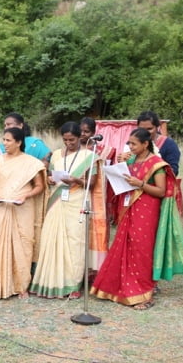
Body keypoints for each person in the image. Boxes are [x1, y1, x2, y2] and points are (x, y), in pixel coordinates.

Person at [92, 128, 183, 309]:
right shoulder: (131, 160)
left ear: (146, 144)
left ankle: (143, 293)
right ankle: (119, 287)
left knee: (141, 250)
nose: (130, 146)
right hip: (129, 207)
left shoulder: (157, 164)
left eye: (134, 144)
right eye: (129, 143)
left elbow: (161, 191)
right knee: (125, 245)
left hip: (147, 210)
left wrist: (140, 184)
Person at [29, 122, 96, 299]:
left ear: (80, 137)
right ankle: (48, 281)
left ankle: (72, 284)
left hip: (77, 200)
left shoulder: (89, 155)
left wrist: (76, 180)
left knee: (75, 241)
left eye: (72, 140)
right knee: (51, 238)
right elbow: (51, 174)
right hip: (57, 199)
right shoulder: (57, 154)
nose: (68, 143)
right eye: (65, 140)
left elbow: (93, 183)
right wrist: (50, 179)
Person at [0, 127, 47, 299]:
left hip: (22, 208)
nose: (4, 143)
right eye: (3, 140)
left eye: (8, 140)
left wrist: (25, 195)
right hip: (1, 207)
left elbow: (40, 186)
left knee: (23, 244)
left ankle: (21, 286)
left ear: (19, 142)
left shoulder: (31, 163)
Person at [79, 117, 115, 273]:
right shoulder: (74, 149)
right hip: (79, 196)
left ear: (94, 133)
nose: (83, 134)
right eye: (80, 131)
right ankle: (79, 269)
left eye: (86, 131)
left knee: (97, 231)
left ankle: (96, 271)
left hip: (98, 199)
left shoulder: (105, 151)